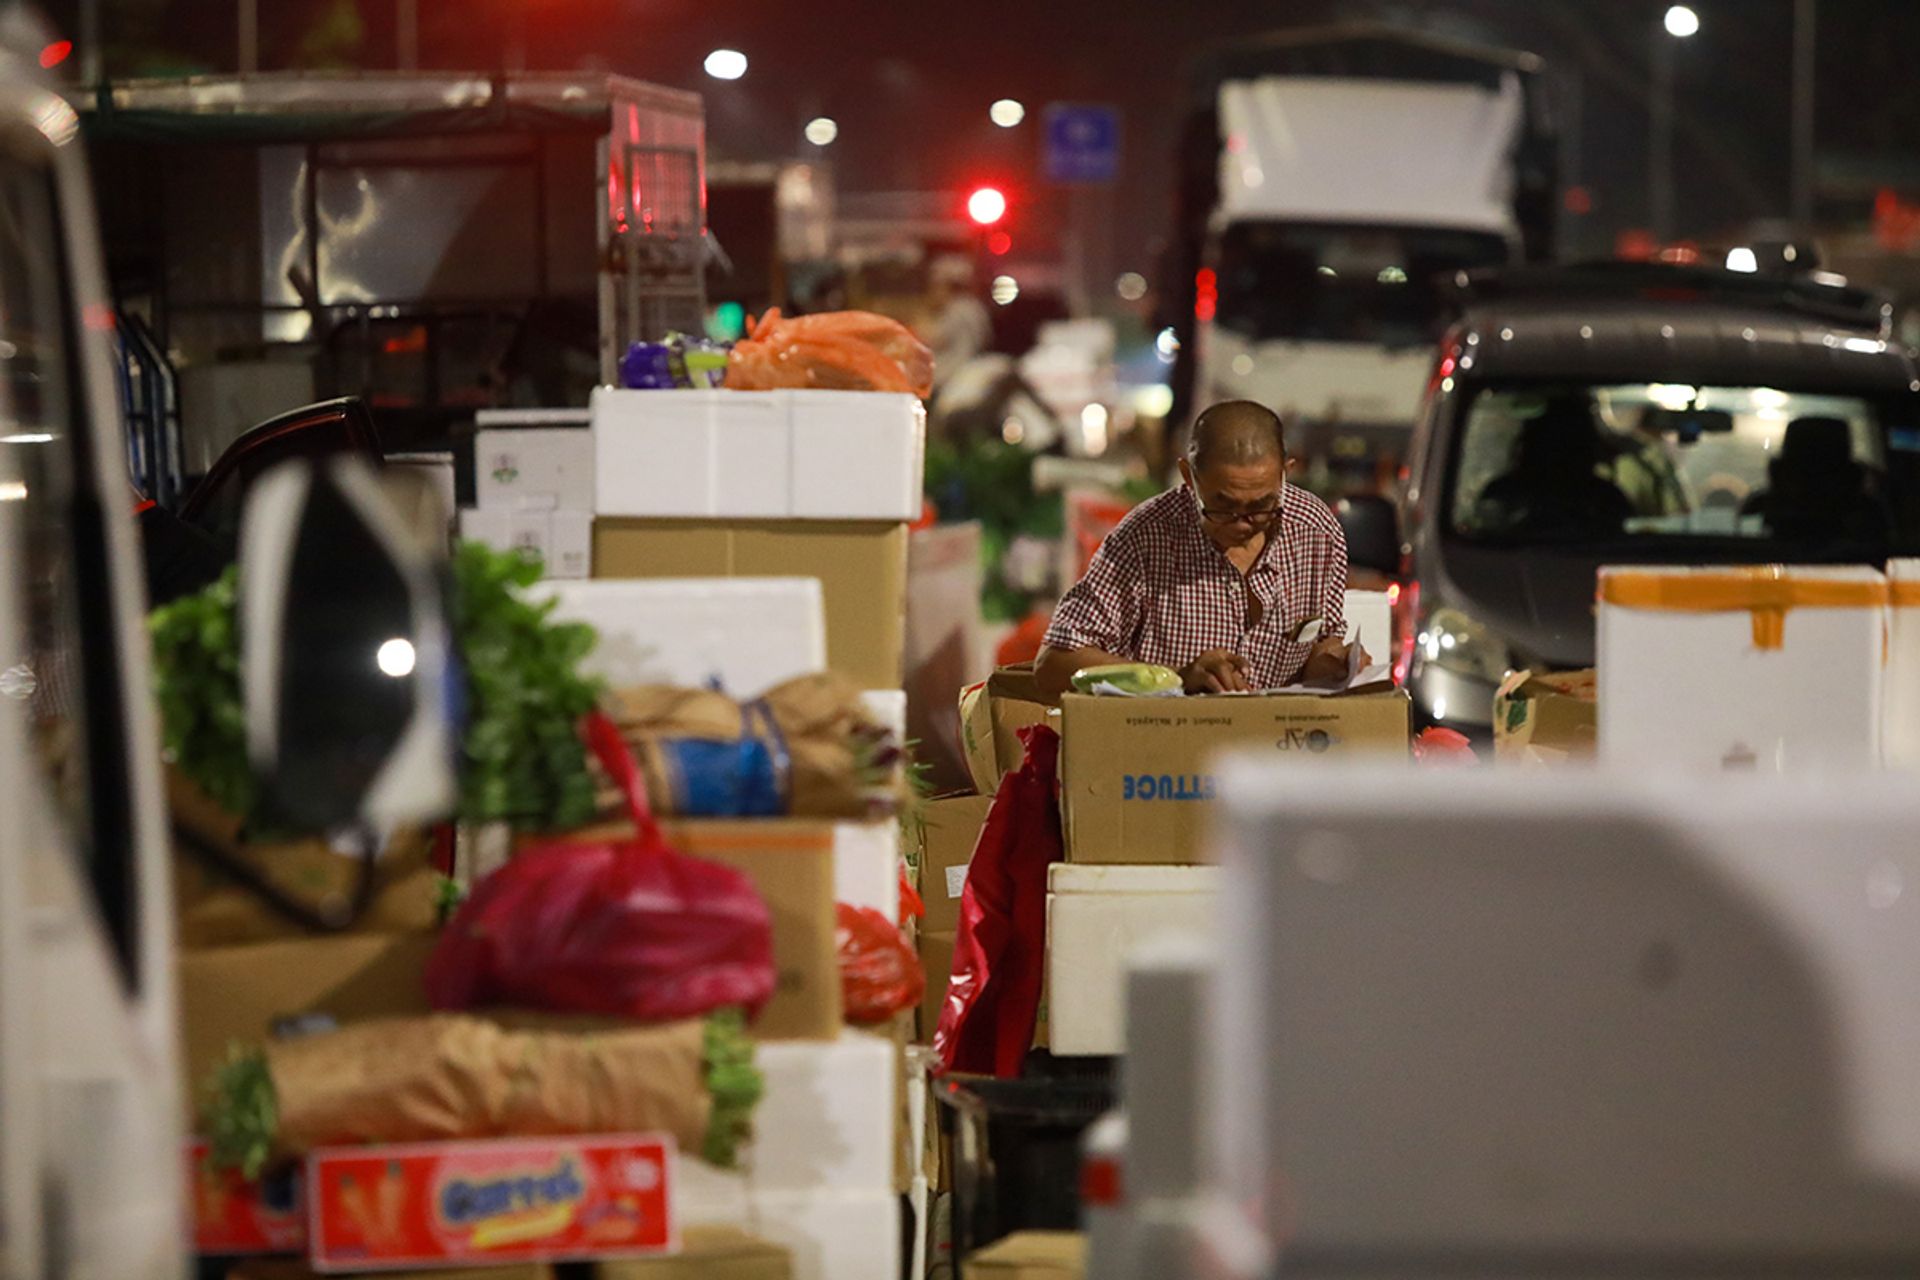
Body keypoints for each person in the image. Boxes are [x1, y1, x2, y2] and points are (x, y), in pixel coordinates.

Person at [1036, 400, 1367, 698]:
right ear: (1188, 477)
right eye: (1223, 508)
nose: (1243, 525)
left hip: (1277, 748)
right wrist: (1175, 679)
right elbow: (1054, 663)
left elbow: (1322, 642)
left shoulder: (1316, 531)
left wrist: (1335, 663)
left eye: (1263, 506)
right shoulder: (1145, 537)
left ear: (1286, 474)